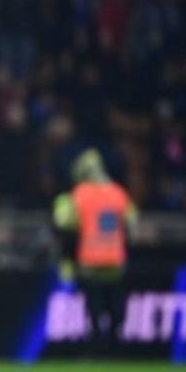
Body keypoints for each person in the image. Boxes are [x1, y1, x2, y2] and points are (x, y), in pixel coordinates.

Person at [57, 149, 137, 352]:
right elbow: (132, 222)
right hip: (115, 260)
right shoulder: (119, 192)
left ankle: (96, 347)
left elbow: (64, 222)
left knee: (94, 308)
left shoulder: (79, 194)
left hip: (90, 261)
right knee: (115, 306)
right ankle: (116, 346)